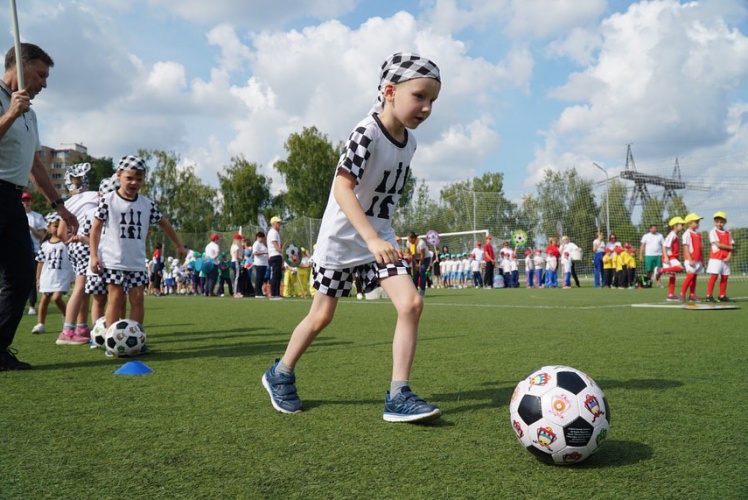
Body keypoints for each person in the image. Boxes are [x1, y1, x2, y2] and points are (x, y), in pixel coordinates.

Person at [261, 52, 442, 423]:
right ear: (390, 91)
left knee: (411, 304)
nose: (426, 108)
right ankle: (280, 373)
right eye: (419, 96)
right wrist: (370, 238)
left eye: (432, 101)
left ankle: (398, 394)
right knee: (322, 316)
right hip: (343, 239)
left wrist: (380, 236)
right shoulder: (366, 132)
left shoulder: (410, 143)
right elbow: (344, 189)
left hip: (379, 238)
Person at [0, 43, 79, 371]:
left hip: (12, 200)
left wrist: (60, 205)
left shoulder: (30, 113)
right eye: (40, 75)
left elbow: (35, 164)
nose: (44, 84)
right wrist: (9, 114)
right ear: (19, 65)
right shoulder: (15, 107)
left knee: (21, 277)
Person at [89, 155, 187, 340]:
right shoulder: (108, 200)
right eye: (130, 178)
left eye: (139, 179)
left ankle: (136, 339)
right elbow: (95, 229)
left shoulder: (146, 204)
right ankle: (113, 340)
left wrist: (179, 245)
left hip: (136, 262)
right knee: (116, 300)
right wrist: (94, 256)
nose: (134, 182)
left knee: (138, 299)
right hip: (114, 260)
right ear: (119, 175)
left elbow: (165, 224)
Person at [56, 163, 99, 344]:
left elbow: (59, 233)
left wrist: (71, 239)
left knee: (84, 288)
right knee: (81, 287)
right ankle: (68, 330)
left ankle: (81, 327)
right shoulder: (94, 196)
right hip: (86, 244)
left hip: (74, 246)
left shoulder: (67, 203)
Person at [32, 213, 73, 336]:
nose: (57, 228)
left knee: (56, 298)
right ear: (48, 228)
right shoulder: (45, 245)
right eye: (55, 226)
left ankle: (68, 318)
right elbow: (40, 262)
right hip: (48, 276)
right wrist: (38, 278)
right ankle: (40, 324)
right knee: (44, 300)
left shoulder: (67, 242)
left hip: (62, 276)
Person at [23, 191, 45, 315]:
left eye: (28, 200)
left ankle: (32, 304)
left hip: (35, 249)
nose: (26, 203)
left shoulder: (37, 216)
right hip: (19, 250)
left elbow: (42, 235)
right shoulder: (15, 216)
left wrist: (30, 228)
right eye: (24, 201)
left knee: (32, 278)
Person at [705, 211, 735, 303]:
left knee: (725, 277)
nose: (719, 224)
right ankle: (709, 295)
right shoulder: (713, 231)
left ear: (725, 222)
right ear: (714, 222)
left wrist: (729, 256)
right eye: (717, 221)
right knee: (714, 276)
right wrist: (730, 248)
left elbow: (732, 246)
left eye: (721, 222)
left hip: (725, 259)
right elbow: (718, 245)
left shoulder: (728, 233)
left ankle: (722, 295)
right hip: (716, 258)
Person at [656, 216, 685, 301]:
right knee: (680, 267)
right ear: (675, 225)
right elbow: (664, 246)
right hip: (669, 257)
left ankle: (670, 295)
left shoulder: (674, 235)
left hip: (671, 257)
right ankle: (660, 270)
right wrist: (665, 256)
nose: (682, 226)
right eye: (681, 224)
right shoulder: (672, 235)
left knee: (672, 276)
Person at [679, 213, 703, 302]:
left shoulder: (699, 234)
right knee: (690, 276)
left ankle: (692, 294)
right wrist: (689, 259)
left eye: (698, 222)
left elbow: (701, 248)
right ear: (689, 223)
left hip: (698, 259)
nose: (698, 224)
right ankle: (682, 294)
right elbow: (686, 247)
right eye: (696, 222)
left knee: (694, 277)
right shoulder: (687, 234)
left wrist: (703, 260)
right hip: (690, 259)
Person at [252, 231, 269, 298]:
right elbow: (255, 253)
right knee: (259, 278)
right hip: (259, 263)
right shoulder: (256, 244)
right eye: (261, 238)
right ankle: (257, 292)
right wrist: (264, 252)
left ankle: (260, 292)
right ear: (258, 237)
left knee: (261, 278)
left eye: (263, 238)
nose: (262, 239)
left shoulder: (262, 244)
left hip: (264, 263)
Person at [230, 233, 243, 298]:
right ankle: (235, 292)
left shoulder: (232, 246)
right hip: (236, 262)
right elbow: (237, 257)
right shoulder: (236, 247)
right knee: (237, 277)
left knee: (237, 277)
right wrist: (242, 259)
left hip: (233, 262)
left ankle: (237, 291)